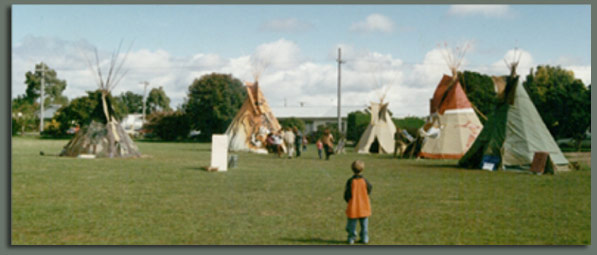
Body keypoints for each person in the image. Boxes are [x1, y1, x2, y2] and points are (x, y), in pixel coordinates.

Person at [344, 160, 372, 244]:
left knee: (351, 225)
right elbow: (369, 189)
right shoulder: (365, 181)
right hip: (364, 206)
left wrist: (348, 200)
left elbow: (347, 194)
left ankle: (351, 238)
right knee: (364, 225)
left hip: (353, 206)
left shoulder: (350, 181)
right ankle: (365, 238)